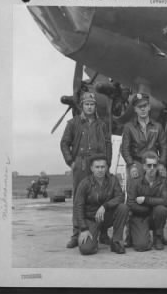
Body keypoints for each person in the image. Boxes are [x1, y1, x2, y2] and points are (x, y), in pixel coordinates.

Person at [60, 92, 112, 248]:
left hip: (98, 165)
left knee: (101, 196)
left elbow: (108, 144)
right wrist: (71, 161)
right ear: (82, 106)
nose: (89, 107)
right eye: (87, 104)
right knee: (79, 198)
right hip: (81, 165)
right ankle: (76, 233)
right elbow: (64, 143)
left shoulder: (102, 124)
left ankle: (102, 233)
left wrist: (107, 163)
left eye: (92, 104)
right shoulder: (73, 123)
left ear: (95, 106)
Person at [121, 92, 167, 247]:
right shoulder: (128, 127)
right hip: (137, 163)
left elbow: (164, 147)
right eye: (139, 107)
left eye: (145, 106)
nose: (143, 109)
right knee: (132, 199)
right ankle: (130, 234)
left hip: (153, 164)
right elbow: (125, 149)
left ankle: (159, 234)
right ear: (134, 109)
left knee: (160, 196)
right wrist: (131, 165)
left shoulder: (158, 126)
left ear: (149, 107)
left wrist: (161, 164)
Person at [74, 154, 129, 255]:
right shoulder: (84, 183)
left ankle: (116, 241)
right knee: (86, 249)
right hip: (91, 219)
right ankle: (95, 238)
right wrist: (84, 229)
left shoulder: (113, 180)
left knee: (123, 208)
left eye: (103, 167)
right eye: (97, 167)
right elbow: (78, 207)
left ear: (107, 167)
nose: (100, 170)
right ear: (91, 168)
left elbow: (120, 197)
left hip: (107, 216)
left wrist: (105, 206)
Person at [127, 151, 167, 251]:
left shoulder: (162, 181)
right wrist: (148, 208)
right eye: (149, 165)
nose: (152, 168)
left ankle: (158, 237)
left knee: (161, 210)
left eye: (154, 165)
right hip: (140, 216)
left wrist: (146, 200)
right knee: (141, 246)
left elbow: (165, 201)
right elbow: (130, 203)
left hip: (155, 216)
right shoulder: (135, 181)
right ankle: (134, 234)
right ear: (143, 166)